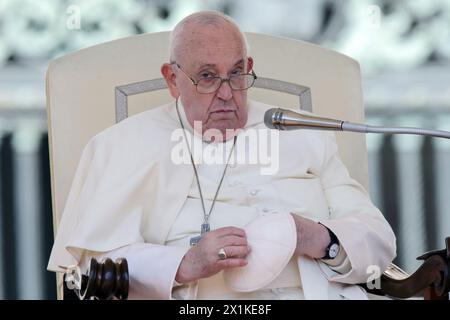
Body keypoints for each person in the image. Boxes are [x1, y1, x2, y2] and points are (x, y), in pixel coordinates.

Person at [48, 10, 396, 300]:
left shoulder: (302, 131)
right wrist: (184, 264)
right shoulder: (122, 145)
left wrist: (318, 238)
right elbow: (91, 271)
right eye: (207, 77)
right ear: (172, 79)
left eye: (236, 73)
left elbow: (378, 242)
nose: (227, 93)